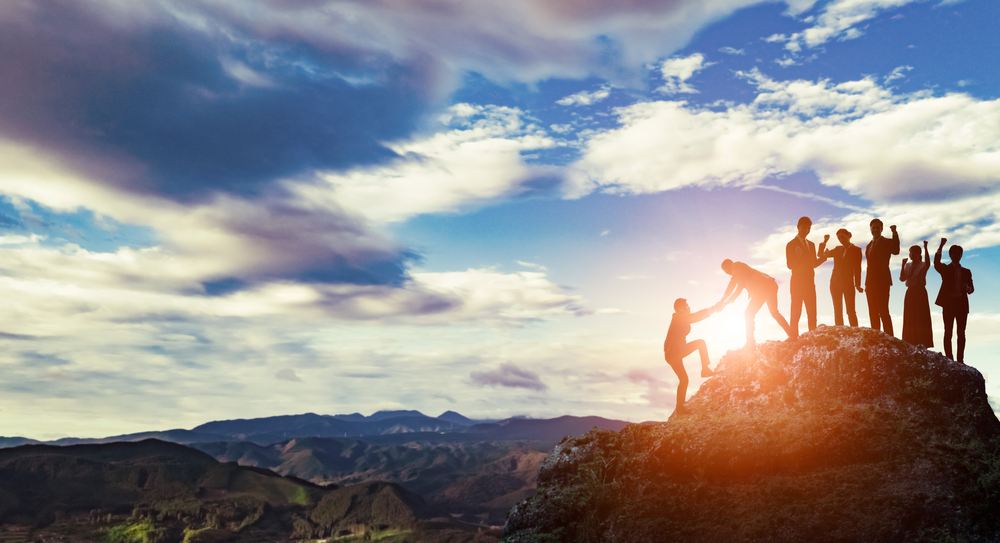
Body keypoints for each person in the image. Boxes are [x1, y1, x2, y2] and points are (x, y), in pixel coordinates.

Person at [664, 298, 723, 414]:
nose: (689, 308)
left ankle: (680, 407)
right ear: (680, 308)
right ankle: (705, 369)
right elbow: (695, 316)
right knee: (700, 343)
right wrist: (713, 309)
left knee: (684, 379)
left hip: (675, 352)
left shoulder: (682, 317)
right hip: (673, 353)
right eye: (687, 306)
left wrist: (713, 310)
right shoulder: (679, 317)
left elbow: (696, 317)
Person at [719, 259, 793, 349]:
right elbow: (736, 293)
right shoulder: (739, 274)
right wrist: (724, 303)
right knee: (774, 313)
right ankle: (791, 334)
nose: (727, 273)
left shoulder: (736, 266)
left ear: (727, 268)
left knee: (748, 313)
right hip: (770, 284)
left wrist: (722, 300)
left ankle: (750, 342)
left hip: (762, 287)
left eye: (725, 271)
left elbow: (732, 283)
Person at [786, 216, 828, 338]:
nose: (806, 230)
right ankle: (793, 338)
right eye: (804, 227)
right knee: (796, 312)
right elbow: (789, 265)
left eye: (808, 228)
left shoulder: (811, 245)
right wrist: (797, 256)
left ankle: (812, 337)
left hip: (810, 283)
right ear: (798, 227)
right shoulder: (791, 244)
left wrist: (824, 258)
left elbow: (813, 263)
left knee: (812, 312)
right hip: (797, 284)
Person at [934, 238, 974, 363]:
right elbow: (936, 263)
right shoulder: (946, 269)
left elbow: (972, 289)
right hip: (949, 304)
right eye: (953, 253)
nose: (956, 255)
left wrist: (966, 287)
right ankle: (949, 359)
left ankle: (960, 360)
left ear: (961, 255)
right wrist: (941, 246)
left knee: (961, 333)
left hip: (962, 305)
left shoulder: (966, 272)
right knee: (948, 332)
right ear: (950, 255)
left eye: (958, 253)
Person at [865, 219, 900, 335]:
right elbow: (869, 266)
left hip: (882, 282)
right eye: (873, 228)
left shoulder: (886, 242)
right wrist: (866, 284)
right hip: (870, 284)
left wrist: (894, 233)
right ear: (870, 229)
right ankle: (876, 336)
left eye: (877, 228)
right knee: (872, 312)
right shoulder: (868, 245)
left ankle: (889, 338)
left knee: (883, 311)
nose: (875, 230)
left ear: (881, 229)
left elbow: (895, 250)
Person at [823, 228, 864, 326]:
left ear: (849, 235)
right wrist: (824, 243)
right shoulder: (837, 249)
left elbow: (858, 269)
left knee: (851, 311)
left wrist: (857, 285)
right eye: (839, 238)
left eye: (842, 237)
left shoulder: (856, 250)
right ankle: (840, 332)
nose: (841, 239)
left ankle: (855, 332)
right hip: (835, 283)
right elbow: (821, 255)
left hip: (848, 283)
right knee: (837, 311)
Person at [900, 241, 934, 348]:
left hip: (920, 292)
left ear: (919, 254)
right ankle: (909, 341)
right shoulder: (907, 265)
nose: (911, 254)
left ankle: (923, 342)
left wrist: (926, 247)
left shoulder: (923, 265)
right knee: (909, 317)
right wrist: (902, 265)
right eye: (910, 252)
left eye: (914, 252)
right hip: (910, 292)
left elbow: (928, 262)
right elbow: (902, 278)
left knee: (921, 317)